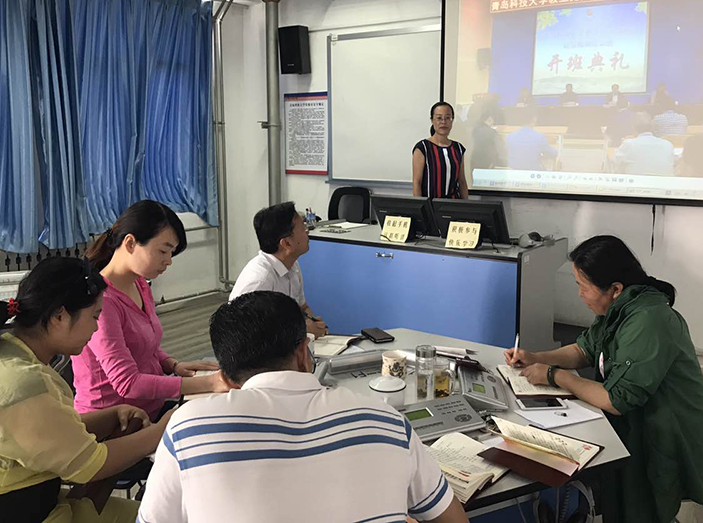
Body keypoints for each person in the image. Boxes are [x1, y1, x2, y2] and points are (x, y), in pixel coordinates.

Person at [137, 291, 468, 523]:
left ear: (225, 377)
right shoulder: (386, 421)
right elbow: (452, 519)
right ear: (302, 355)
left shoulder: (188, 428)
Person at [503, 236, 703, 523]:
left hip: (664, 433)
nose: (579, 295)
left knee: (640, 505)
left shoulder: (649, 320)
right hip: (635, 421)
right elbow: (584, 350)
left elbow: (616, 399)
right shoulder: (621, 308)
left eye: (583, 287)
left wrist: (553, 375)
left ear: (615, 289)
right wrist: (536, 357)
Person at [0, 257, 174, 523]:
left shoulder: (9, 349)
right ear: (59, 316)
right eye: (94, 317)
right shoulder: (24, 384)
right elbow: (90, 465)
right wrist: (164, 429)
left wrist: (110, 415)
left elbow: (47, 431)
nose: (96, 327)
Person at [73, 200, 228, 421]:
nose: (168, 261)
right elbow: (128, 383)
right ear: (130, 243)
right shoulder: (102, 303)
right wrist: (208, 383)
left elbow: (144, 344)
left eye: (171, 253)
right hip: (115, 424)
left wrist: (172, 364)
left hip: (150, 410)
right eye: (163, 251)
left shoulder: (139, 284)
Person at [229, 202, 327, 338]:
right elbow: (246, 336)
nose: (307, 232)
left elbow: (302, 308)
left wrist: (314, 323)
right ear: (286, 243)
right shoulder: (260, 281)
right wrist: (302, 330)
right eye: (303, 228)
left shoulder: (293, 265)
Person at [413, 101, 469, 199]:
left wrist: (466, 205)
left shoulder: (458, 148)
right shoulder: (423, 148)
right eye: (439, 118)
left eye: (447, 118)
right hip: (430, 204)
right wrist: (421, 206)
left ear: (452, 120)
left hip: (454, 204)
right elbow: (417, 182)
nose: (443, 122)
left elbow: (462, 182)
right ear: (432, 120)